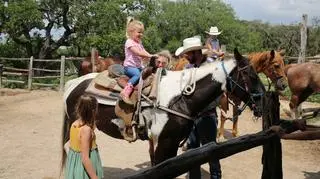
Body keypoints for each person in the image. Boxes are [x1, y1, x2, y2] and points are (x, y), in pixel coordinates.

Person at [175, 36, 222, 179]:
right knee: (192, 150)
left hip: (207, 114)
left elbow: (218, 91)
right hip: (191, 116)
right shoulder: (188, 67)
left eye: (188, 54)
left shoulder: (211, 66)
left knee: (211, 150)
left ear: (196, 52)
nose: (186, 56)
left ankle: (215, 176)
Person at [64, 94, 104, 179]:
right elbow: (85, 158)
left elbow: (67, 145)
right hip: (84, 171)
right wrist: (94, 177)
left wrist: (74, 160)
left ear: (78, 108)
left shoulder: (74, 124)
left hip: (76, 166)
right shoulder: (86, 130)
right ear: (93, 111)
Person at [121, 17, 157, 104]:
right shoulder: (129, 42)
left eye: (142, 33)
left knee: (148, 73)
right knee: (137, 75)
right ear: (131, 32)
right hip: (129, 67)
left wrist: (151, 56)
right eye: (139, 32)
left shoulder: (139, 43)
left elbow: (143, 51)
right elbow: (138, 53)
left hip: (138, 66)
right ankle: (125, 92)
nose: (141, 34)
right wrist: (150, 55)